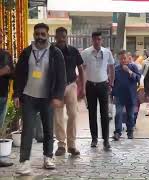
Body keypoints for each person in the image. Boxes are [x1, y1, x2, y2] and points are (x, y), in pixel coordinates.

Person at [14, 23, 66, 175]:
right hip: (29, 97)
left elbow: (61, 77)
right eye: (37, 34)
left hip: (47, 98)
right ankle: (24, 162)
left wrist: (58, 96)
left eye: (43, 34)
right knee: (28, 130)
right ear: (34, 35)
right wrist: (17, 94)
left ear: (48, 35)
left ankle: (48, 157)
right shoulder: (27, 52)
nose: (40, 37)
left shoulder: (55, 53)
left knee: (49, 129)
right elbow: (19, 74)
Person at [53, 27, 85, 156]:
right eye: (59, 36)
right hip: (55, 88)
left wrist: (82, 87)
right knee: (58, 117)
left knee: (73, 114)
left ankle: (72, 145)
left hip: (71, 85)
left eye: (63, 36)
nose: (61, 39)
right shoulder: (51, 51)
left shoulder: (73, 51)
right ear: (55, 37)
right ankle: (61, 145)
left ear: (66, 37)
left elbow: (81, 69)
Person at [81, 32, 115, 150]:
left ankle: (106, 140)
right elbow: (82, 69)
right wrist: (83, 86)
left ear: (102, 40)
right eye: (95, 39)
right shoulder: (85, 53)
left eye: (99, 39)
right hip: (90, 85)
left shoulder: (107, 52)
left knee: (104, 114)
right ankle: (94, 138)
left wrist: (111, 82)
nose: (97, 42)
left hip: (103, 85)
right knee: (92, 113)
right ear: (92, 40)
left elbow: (111, 67)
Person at [112, 50, 141, 140]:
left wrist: (129, 71)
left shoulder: (133, 67)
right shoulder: (116, 68)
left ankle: (130, 131)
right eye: (121, 59)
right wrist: (112, 94)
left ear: (128, 58)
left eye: (124, 58)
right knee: (118, 113)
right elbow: (113, 82)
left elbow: (138, 78)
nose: (123, 60)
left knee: (130, 114)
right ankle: (117, 132)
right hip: (119, 96)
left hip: (131, 95)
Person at [0, 29, 14, 168]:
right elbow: (5, 71)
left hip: (3, 96)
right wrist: (2, 71)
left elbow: (12, 72)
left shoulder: (6, 54)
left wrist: (8, 72)